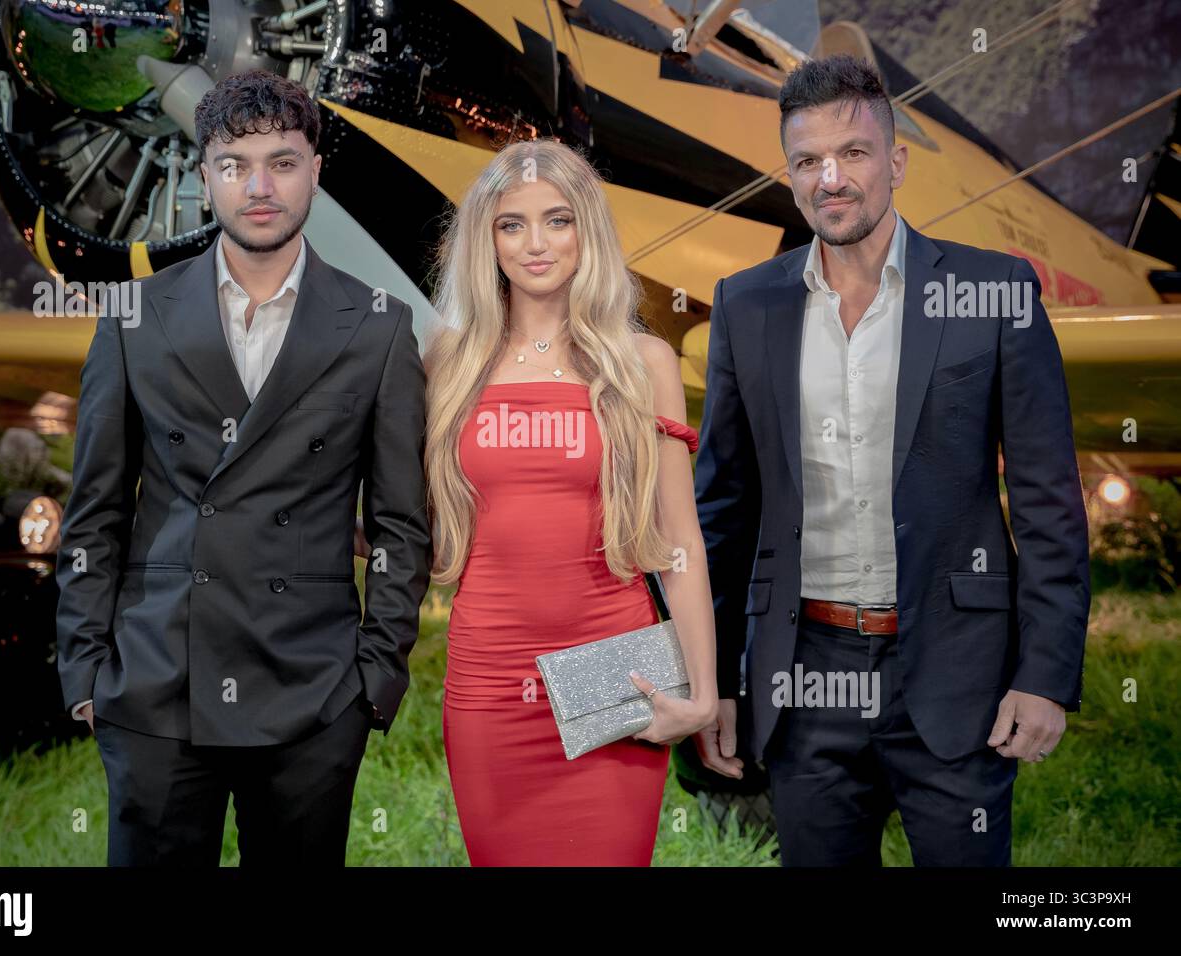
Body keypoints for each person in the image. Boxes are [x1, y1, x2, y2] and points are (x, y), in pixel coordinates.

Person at [693, 55, 1089, 866]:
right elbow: (723, 511)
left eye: (854, 154)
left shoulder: (994, 292)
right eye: (807, 161)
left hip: (956, 671)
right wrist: (719, 681)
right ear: (791, 173)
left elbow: (1050, 501)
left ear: (897, 161)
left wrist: (1046, 673)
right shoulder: (747, 303)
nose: (830, 179)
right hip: (805, 677)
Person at [55, 69, 430, 866]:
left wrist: (375, 677)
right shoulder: (133, 317)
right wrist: (86, 670)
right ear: (204, 177)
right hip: (156, 686)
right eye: (234, 164)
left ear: (316, 170)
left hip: (314, 693)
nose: (259, 186)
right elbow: (94, 509)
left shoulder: (377, 328)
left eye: (283, 162)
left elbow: (401, 522)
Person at [417, 139, 719, 866]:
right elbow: (418, 526)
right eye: (511, 224)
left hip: (614, 676)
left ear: (588, 231)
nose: (536, 243)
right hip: (489, 685)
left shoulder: (641, 362)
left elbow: (680, 541)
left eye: (557, 220)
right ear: (485, 240)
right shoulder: (450, 361)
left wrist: (704, 694)